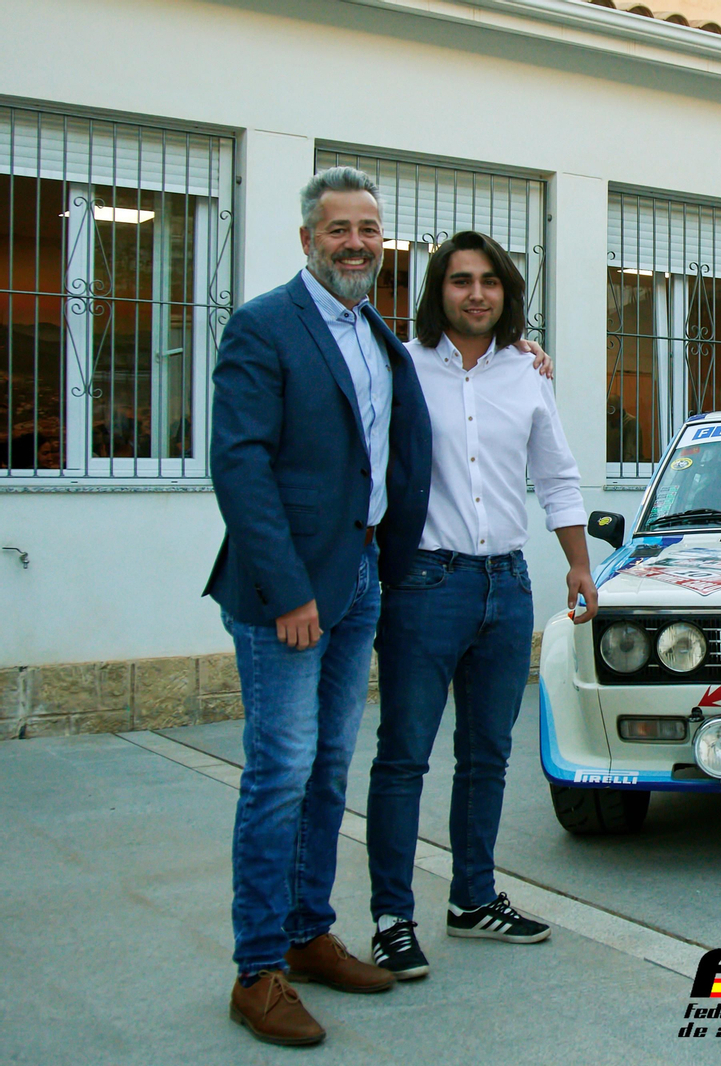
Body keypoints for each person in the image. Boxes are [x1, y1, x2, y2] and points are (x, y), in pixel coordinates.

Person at [205, 167, 431, 1046]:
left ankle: (307, 934)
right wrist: (288, 590)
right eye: (339, 229)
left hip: (361, 577)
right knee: (279, 774)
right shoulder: (264, 325)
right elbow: (240, 466)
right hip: (288, 594)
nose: (356, 244)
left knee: (329, 769)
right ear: (308, 239)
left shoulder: (377, 332)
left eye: (369, 230)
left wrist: (523, 347)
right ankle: (256, 970)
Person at [364, 231, 599, 981]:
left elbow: (556, 475)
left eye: (490, 281)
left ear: (506, 293)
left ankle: (472, 898)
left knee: (487, 755)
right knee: (404, 757)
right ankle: (392, 919)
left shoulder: (527, 372)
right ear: (439, 290)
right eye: (461, 280)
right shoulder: (400, 365)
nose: (476, 293)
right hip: (425, 585)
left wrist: (578, 565)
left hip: (508, 586)